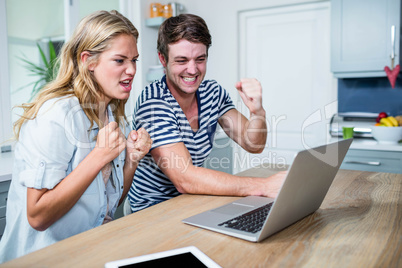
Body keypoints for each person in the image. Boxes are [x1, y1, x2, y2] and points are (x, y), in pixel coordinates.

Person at [0, 10, 151, 262]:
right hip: (42, 260)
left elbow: (108, 203)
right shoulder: (56, 115)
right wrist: (99, 157)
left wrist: (132, 160)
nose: (132, 69)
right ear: (88, 61)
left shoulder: (112, 116)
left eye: (134, 60)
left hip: (89, 253)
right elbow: (37, 216)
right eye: (120, 60)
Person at [127, 13, 286, 213]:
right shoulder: (154, 104)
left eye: (200, 59)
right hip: (152, 212)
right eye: (182, 60)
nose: (193, 70)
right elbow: (185, 179)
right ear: (163, 59)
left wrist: (257, 112)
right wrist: (263, 186)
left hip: (192, 202)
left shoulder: (212, 92)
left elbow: (253, 144)